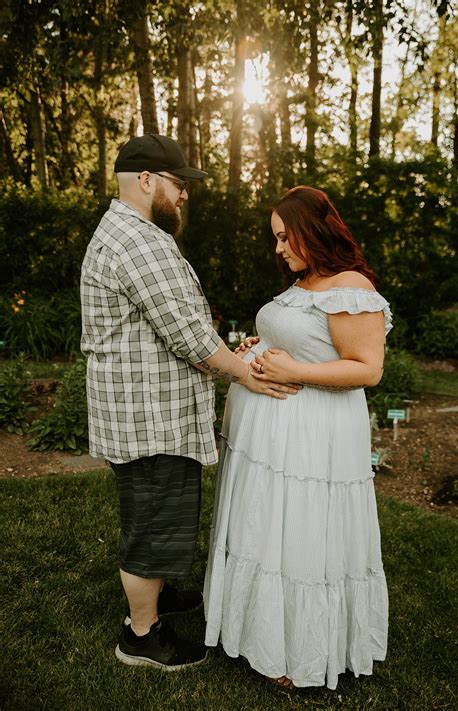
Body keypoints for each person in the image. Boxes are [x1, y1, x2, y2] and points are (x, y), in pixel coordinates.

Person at [80, 133, 298, 672]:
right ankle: (141, 635)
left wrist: (225, 350)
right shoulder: (138, 242)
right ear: (148, 180)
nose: (185, 198)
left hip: (145, 411)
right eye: (179, 186)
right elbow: (188, 336)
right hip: (147, 417)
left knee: (158, 514)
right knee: (153, 522)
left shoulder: (132, 232)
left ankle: (157, 595)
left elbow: (184, 325)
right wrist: (245, 373)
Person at [204, 186, 392, 690]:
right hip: (269, 440)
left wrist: (296, 369)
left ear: (312, 230)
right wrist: (262, 347)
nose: (279, 248)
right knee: (269, 530)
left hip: (313, 439)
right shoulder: (304, 281)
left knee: (303, 536)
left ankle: (300, 651)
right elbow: (299, 340)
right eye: (276, 238)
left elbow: (367, 369)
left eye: (285, 237)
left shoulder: (349, 286)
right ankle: (262, 633)